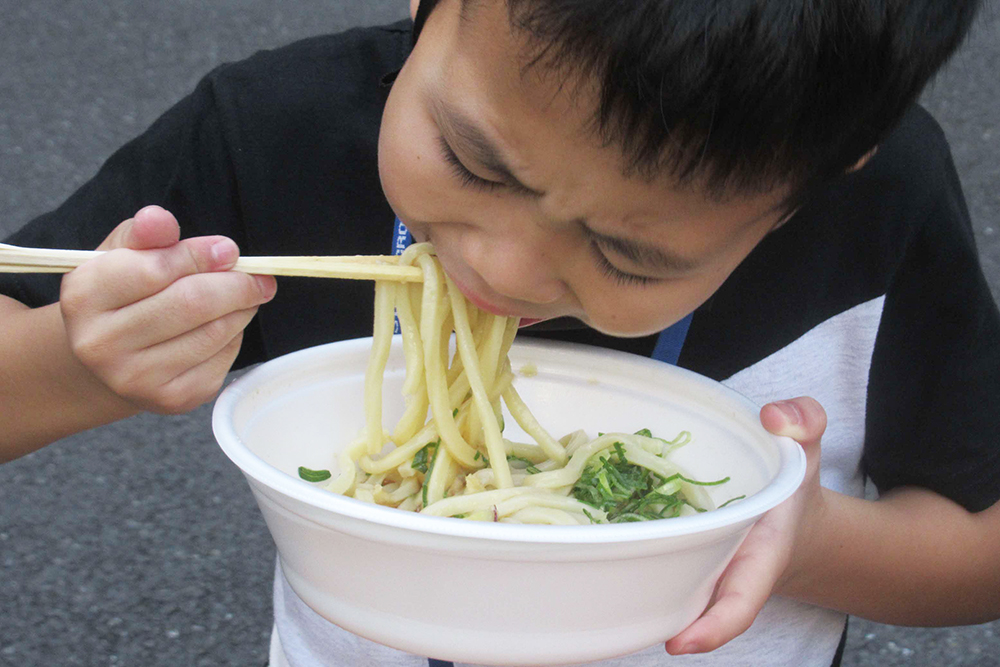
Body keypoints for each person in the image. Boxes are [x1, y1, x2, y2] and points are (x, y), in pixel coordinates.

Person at [2, 0, 998, 665]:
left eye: (629, 255)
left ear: (822, 178)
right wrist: (85, 366)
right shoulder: (275, 135)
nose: (498, 269)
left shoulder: (879, 215)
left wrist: (804, 540)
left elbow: (979, 547)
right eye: (472, 163)